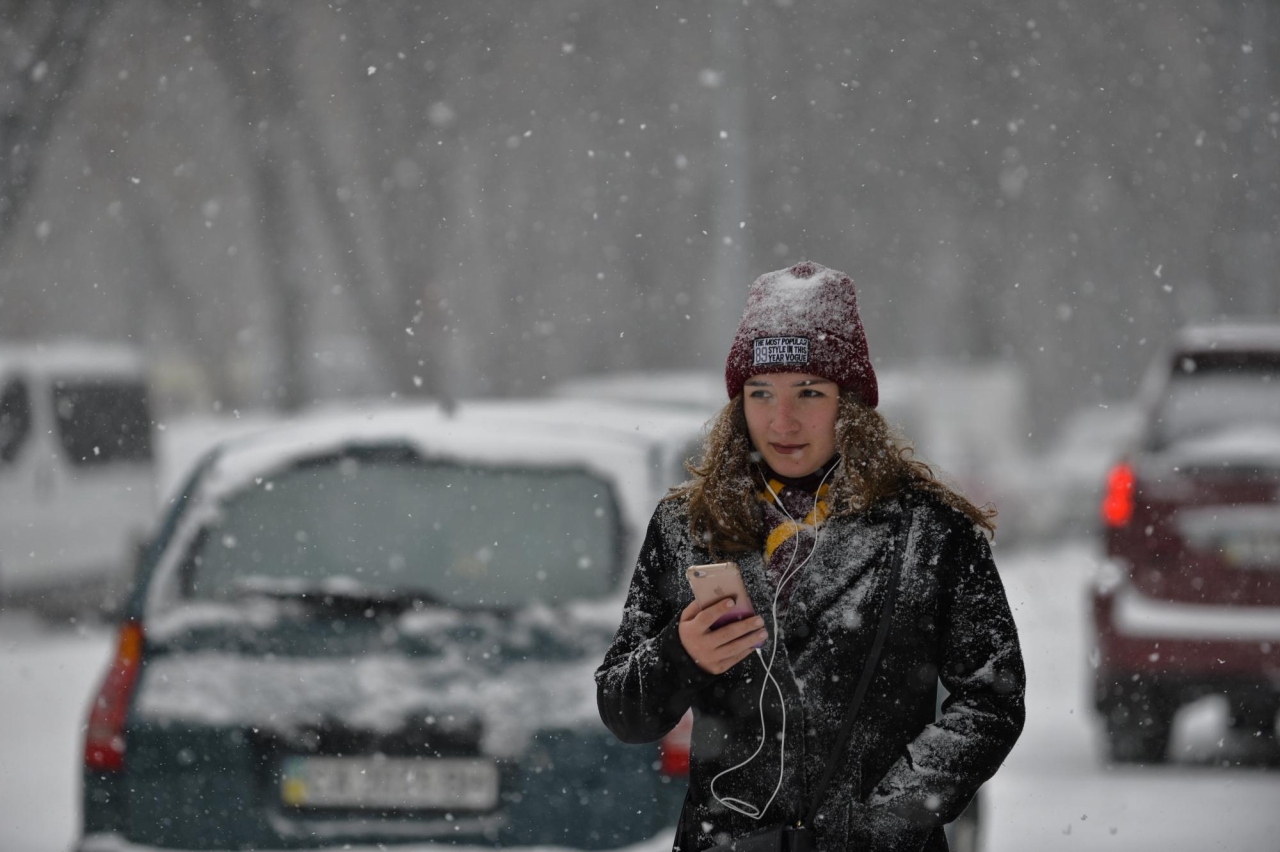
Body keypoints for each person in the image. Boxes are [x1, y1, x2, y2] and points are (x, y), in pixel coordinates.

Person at [595, 261, 1026, 852]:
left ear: (849, 403)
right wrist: (679, 654)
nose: (783, 420)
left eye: (809, 393)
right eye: (761, 393)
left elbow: (990, 701)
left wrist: (890, 820)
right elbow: (623, 708)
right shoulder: (687, 526)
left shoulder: (932, 533)